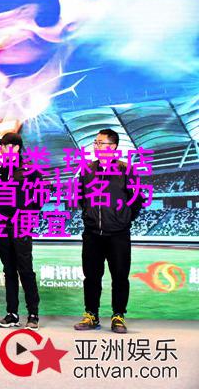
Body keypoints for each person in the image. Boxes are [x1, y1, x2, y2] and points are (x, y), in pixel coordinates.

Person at [74, 128, 143, 334]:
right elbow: (81, 197)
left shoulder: (126, 170)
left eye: (100, 143)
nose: (96, 146)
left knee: (120, 277)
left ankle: (118, 315)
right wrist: (88, 216)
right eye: (95, 142)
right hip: (92, 234)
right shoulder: (87, 170)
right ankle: (91, 315)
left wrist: (124, 218)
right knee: (91, 277)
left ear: (112, 147)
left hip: (118, 234)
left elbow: (136, 199)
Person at [0, 133, 42, 331]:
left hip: (21, 223)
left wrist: (26, 214)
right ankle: (12, 313)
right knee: (9, 270)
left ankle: (33, 314)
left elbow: (40, 197)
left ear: (15, 148)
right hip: (1, 224)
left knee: (25, 269)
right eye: (1, 146)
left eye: (4, 146)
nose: (1, 149)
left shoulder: (30, 170)